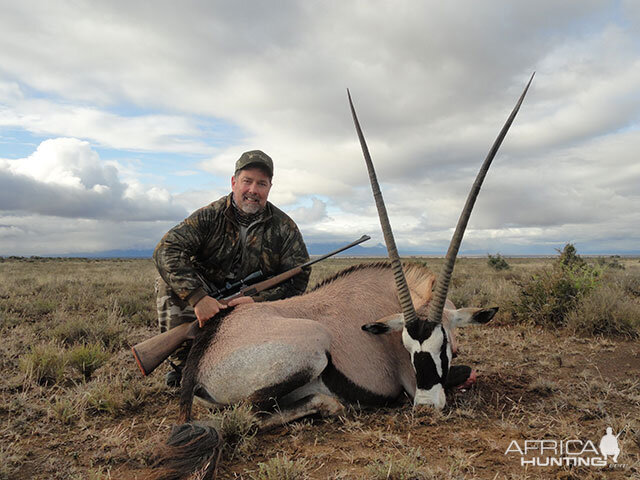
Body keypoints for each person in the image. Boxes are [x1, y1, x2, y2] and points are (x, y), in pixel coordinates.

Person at [153, 150, 310, 387]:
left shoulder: (284, 226)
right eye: (247, 181)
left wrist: (258, 301)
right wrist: (198, 298)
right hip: (209, 296)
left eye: (262, 184)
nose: (253, 190)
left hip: (256, 304)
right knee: (166, 283)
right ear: (234, 182)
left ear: (269, 188)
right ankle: (183, 365)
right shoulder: (209, 216)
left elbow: (299, 277)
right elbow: (166, 249)